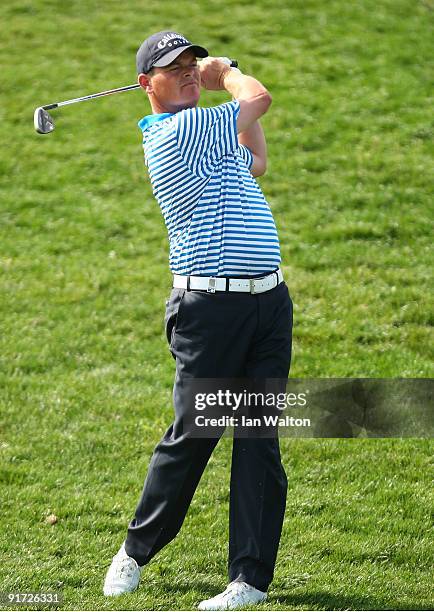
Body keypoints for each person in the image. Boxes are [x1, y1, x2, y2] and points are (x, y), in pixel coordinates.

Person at [103, 30, 293, 610]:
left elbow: (257, 159)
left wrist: (224, 89)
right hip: (208, 312)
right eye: (175, 69)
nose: (189, 74)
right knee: (195, 432)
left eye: (192, 65)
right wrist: (227, 72)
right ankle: (135, 551)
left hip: (268, 304)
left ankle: (250, 581)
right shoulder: (172, 132)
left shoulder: (208, 132)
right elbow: (257, 99)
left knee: (259, 439)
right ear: (146, 86)